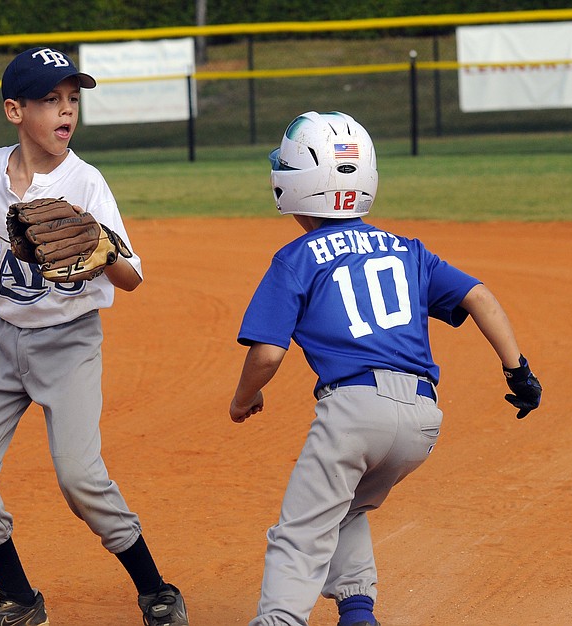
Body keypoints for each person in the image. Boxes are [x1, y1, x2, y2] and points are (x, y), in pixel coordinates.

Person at [229, 111, 542, 626]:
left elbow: (266, 353)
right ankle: (357, 612)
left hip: (353, 413)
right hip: (422, 418)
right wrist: (518, 371)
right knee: (347, 507)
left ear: (295, 183)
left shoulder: (297, 257)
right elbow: (480, 296)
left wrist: (243, 399)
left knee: (301, 532)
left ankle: (278, 621)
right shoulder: (408, 250)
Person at [0, 47, 189, 626]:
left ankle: (156, 590)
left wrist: (100, 250)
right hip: (3, 344)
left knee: (80, 478)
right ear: (14, 111)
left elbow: (133, 278)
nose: (65, 110)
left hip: (70, 343)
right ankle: (19, 599)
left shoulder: (87, 181)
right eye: (50, 99)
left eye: (72, 99)